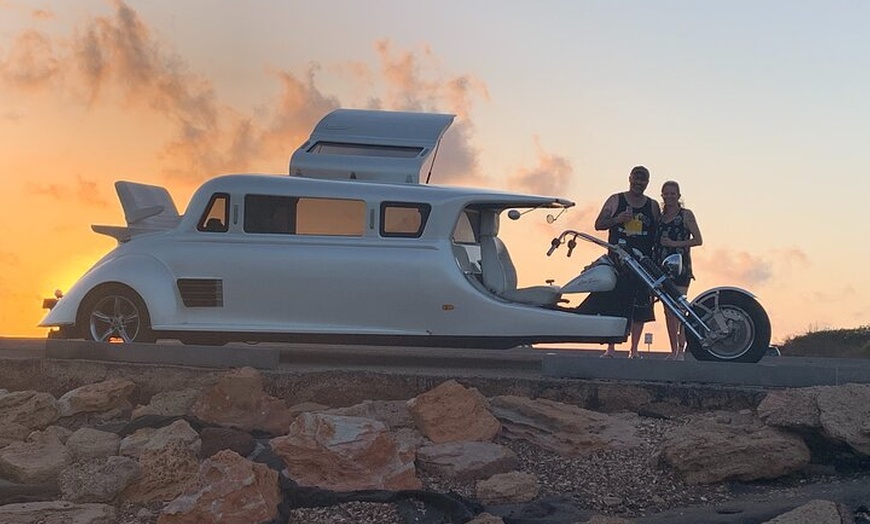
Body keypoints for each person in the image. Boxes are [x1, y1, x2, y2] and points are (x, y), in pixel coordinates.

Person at [593, 165, 661, 358]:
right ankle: (611, 348)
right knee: (614, 304)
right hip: (618, 261)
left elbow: (658, 232)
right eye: (636, 179)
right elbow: (598, 224)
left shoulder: (652, 206)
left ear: (648, 182)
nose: (639, 183)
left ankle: (634, 349)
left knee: (640, 307)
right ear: (629, 178)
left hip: (642, 264)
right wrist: (617, 219)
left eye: (643, 180)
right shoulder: (616, 200)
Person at [655, 180, 703, 361]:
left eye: (672, 193)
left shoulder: (685, 215)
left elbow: (698, 239)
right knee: (667, 310)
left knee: (679, 307)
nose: (669, 196)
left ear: (678, 195)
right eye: (666, 193)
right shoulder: (660, 217)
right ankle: (673, 349)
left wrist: (675, 244)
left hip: (680, 266)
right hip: (661, 267)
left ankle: (681, 349)